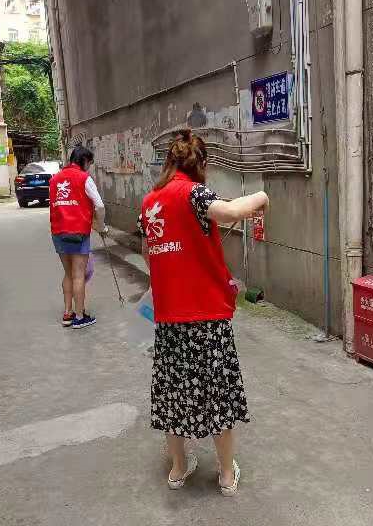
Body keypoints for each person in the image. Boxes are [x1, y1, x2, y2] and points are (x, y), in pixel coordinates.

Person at [138, 130, 268, 496]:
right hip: (206, 317)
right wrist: (261, 196)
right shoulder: (194, 193)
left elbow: (148, 252)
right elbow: (230, 212)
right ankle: (226, 475)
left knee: (173, 392)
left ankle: (179, 468)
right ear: (202, 164)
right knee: (218, 394)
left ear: (169, 162)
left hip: (169, 318)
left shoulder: (149, 202)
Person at [49, 146, 107, 329]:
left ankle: (68, 314)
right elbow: (99, 205)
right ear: (84, 161)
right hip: (78, 233)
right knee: (78, 275)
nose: (89, 167)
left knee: (68, 273)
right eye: (89, 163)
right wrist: (101, 226)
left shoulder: (55, 179)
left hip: (58, 232)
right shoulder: (84, 178)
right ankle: (80, 317)